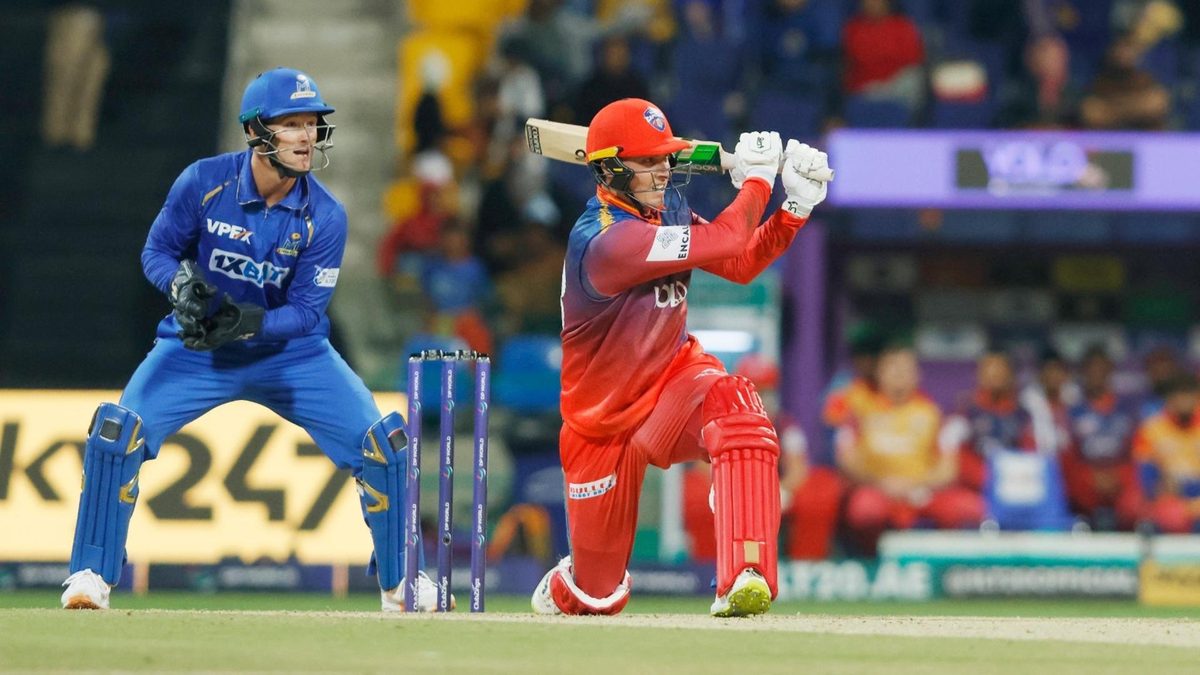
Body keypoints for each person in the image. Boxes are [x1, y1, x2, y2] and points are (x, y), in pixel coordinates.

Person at [60, 68, 437, 612]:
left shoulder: (325, 216)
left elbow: (306, 313)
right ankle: (90, 575)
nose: (307, 136)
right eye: (292, 124)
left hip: (292, 356)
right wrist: (180, 285)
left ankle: (403, 584)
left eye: (312, 124)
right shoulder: (203, 182)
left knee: (384, 446)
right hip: (195, 351)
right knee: (118, 435)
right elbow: (157, 253)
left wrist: (245, 323)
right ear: (256, 131)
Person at [530, 98, 831, 617]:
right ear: (610, 169)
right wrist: (758, 181)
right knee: (598, 598)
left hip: (673, 378)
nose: (664, 171)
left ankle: (744, 573)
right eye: (648, 162)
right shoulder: (605, 241)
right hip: (602, 421)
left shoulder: (666, 205)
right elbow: (729, 235)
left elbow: (738, 262)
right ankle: (572, 583)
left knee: (738, 409)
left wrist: (793, 211)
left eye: (666, 157)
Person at [837, 346, 983, 555]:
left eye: (906, 369)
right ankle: (869, 561)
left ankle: (940, 562)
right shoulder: (860, 409)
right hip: (876, 488)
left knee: (969, 507)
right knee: (866, 510)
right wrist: (882, 483)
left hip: (921, 490)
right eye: (892, 368)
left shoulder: (933, 413)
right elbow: (847, 460)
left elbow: (948, 469)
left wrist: (914, 484)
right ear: (879, 373)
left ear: (917, 375)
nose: (899, 374)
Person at [1062, 345, 1141, 530]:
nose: (1096, 374)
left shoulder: (1127, 411)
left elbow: (1134, 454)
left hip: (1121, 480)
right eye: (1091, 369)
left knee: (1134, 502)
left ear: (1110, 371)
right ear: (1083, 372)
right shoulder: (1073, 413)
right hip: (1086, 481)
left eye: (1101, 369)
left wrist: (1118, 476)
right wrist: (1091, 478)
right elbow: (1069, 457)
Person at [1134, 372, 1200, 533]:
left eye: (1189, 395)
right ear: (1169, 399)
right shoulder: (1151, 429)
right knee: (1171, 517)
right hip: (1169, 500)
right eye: (1180, 395)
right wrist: (1159, 486)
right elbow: (1146, 475)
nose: (1185, 401)